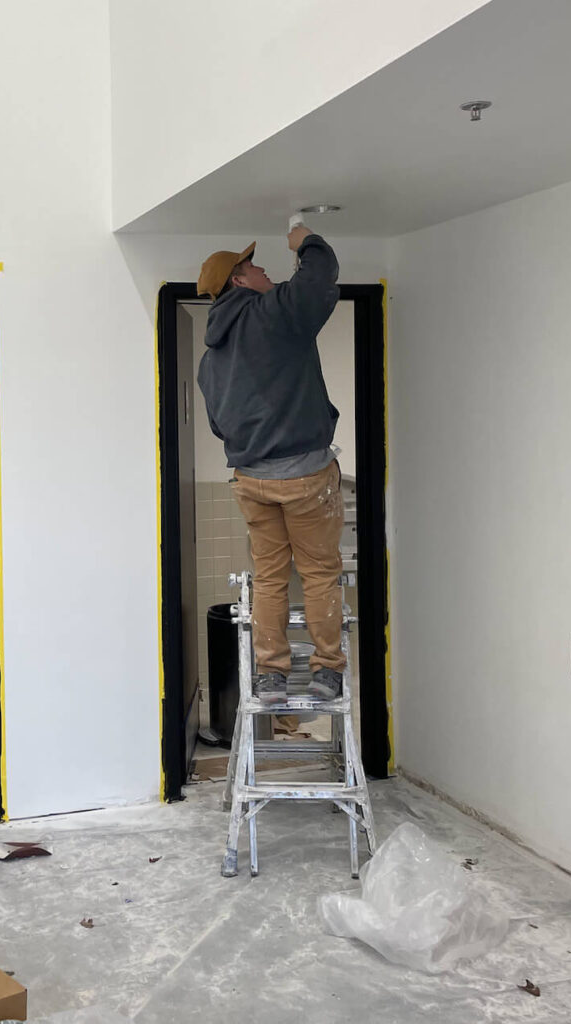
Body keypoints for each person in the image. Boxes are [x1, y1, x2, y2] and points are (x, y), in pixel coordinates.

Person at [196, 225, 345, 710]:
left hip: (251, 480)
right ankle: (326, 672)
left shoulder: (210, 359)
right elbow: (319, 279)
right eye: (253, 266)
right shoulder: (273, 314)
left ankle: (272, 674)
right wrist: (305, 239)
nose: (264, 271)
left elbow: (220, 426)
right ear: (239, 281)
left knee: (270, 577)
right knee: (320, 572)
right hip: (304, 474)